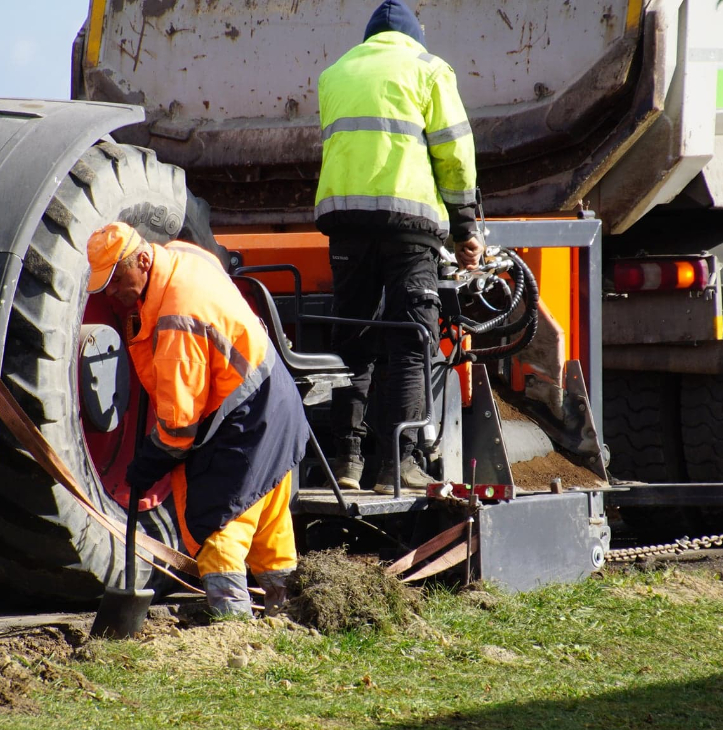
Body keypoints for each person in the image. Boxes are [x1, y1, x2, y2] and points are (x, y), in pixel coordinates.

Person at [86, 222, 308, 617]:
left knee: (217, 527)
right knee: (270, 524)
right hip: (276, 402)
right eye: (106, 286)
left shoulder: (176, 319)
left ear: (142, 259)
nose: (115, 293)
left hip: (243, 421)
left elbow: (179, 427)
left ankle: (233, 627)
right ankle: (289, 616)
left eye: (118, 280)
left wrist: (150, 461)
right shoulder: (178, 256)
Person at [315, 0, 483, 494]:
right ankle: (395, 464)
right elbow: (454, 152)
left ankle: (346, 461)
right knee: (411, 340)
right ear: (415, 37)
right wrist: (465, 227)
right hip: (409, 226)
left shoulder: (334, 74)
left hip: (346, 224)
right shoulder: (429, 69)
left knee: (352, 343)